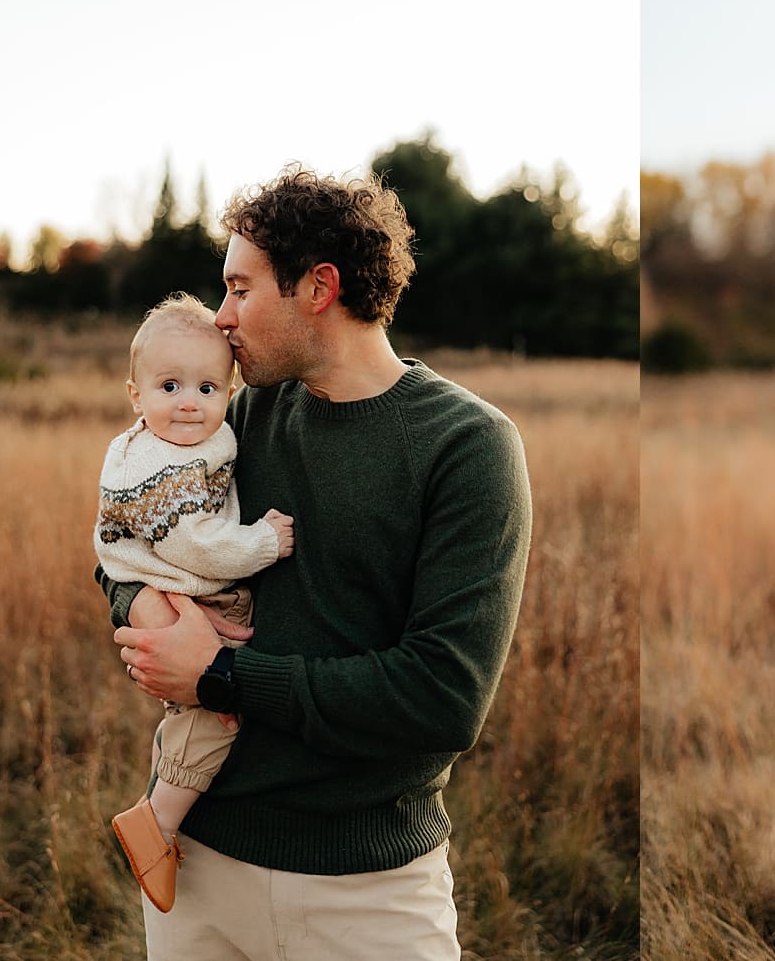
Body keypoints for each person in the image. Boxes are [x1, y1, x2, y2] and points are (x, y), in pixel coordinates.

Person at [100, 165, 533, 960]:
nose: (221, 319)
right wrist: (145, 612)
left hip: (368, 893)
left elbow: (445, 697)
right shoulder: (236, 416)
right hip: (196, 867)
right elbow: (125, 537)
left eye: (239, 289)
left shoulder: (467, 446)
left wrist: (223, 676)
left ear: (319, 287)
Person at [97, 293, 296, 914]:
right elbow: (199, 545)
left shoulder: (169, 440)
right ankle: (157, 820)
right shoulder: (160, 466)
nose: (189, 401)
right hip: (188, 590)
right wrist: (264, 541)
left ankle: (162, 809)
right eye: (171, 386)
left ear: (230, 389)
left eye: (209, 388)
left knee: (191, 709)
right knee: (213, 715)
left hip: (173, 589)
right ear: (136, 395)